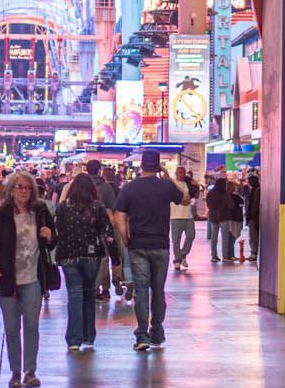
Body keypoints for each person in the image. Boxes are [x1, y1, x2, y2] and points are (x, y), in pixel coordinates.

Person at [0, 171, 56, 388]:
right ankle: (15, 371)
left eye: (27, 187)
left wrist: (50, 236)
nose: (24, 191)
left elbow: (53, 241)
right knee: (12, 328)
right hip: (7, 279)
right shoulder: (0, 214)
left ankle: (30, 371)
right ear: (11, 190)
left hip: (33, 277)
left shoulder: (41, 211)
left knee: (31, 325)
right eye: (19, 187)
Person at [115, 149, 183, 352]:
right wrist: (168, 178)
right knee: (158, 290)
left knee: (141, 290)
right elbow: (186, 198)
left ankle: (142, 335)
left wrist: (126, 240)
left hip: (138, 244)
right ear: (158, 165)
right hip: (160, 245)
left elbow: (119, 218)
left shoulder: (130, 188)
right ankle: (157, 331)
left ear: (141, 165)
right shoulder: (166, 187)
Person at [53, 172, 112, 351]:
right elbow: (106, 233)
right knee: (88, 294)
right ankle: (88, 336)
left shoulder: (64, 207)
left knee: (75, 296)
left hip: (70, 256)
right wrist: (116, 259)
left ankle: (74, 339)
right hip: (92, 257)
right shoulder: (98, 207)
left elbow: (59, 232)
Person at [207, 176, 241, 263]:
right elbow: (231, 205)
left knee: (213, 238)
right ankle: (225, 256)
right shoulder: (225, 194)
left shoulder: (210, 193)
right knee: (225, 238)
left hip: (213, 217)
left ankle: (214, 256)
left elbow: (208, 205)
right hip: (224, 218)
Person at [169, 165, 197, 273]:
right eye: (180, 172)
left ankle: (182, 254)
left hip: (188, 215)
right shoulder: (172, 183)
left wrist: (193, 182)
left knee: (191, 235)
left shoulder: (187, 184)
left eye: (183, 172)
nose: (182, 174)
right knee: (176, 240)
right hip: (175, 215)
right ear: (176, 173)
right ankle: (177, 260)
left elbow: (194, 194)